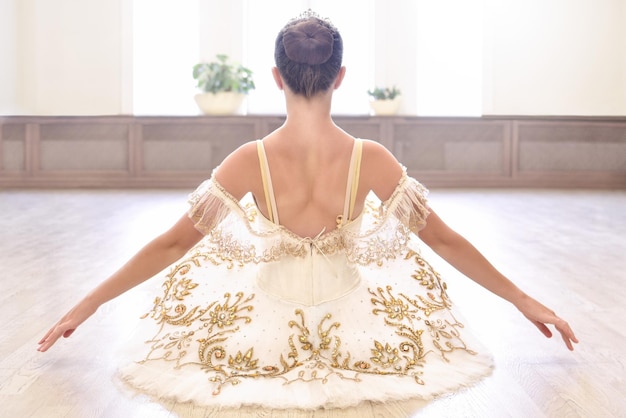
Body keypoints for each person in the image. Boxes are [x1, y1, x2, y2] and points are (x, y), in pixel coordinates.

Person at [38, 10, 577, 416]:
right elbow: (447, 241)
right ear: (340, 77)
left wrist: (85, 305)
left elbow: (172, 244)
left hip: (266, 325)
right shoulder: (373, 158)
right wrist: (525, 300)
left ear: (276, 76)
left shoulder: (249, 160)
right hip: (356, 325)